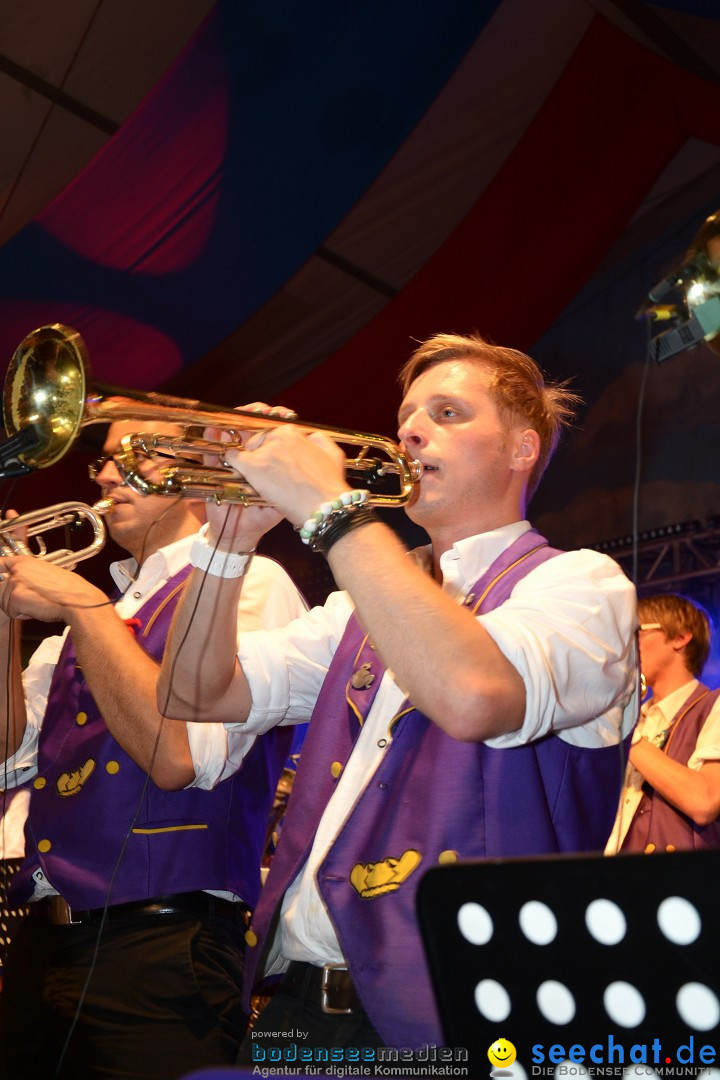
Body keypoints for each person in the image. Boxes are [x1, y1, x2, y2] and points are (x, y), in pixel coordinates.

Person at [158, 333, 638, 1060]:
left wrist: (332, 509)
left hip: (469, 1018)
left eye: (448, 413)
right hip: (301, 1006)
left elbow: (473, 696)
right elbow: (196, 691)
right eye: (409, 415)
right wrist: (226, 543)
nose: (410, 431)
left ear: (522, 451)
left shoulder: (581, 584)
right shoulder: (361, 604)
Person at [0, 418, 307, 1080]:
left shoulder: (252, 582)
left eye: (132, 457)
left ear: (198, 475)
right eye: (103, 463)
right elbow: (4, 760)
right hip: (46, 939)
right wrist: (4, 619)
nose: (107, 476)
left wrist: (84, 608)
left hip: (165, 944)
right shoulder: (86, 621)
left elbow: (181, 760)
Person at [606, 593, 720, 855]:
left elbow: (704, 801)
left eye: (636, 631)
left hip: (685, 884)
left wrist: (625, 731)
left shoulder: (714, 705)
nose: (626, 645)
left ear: (680, 636)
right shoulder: (635, 718)